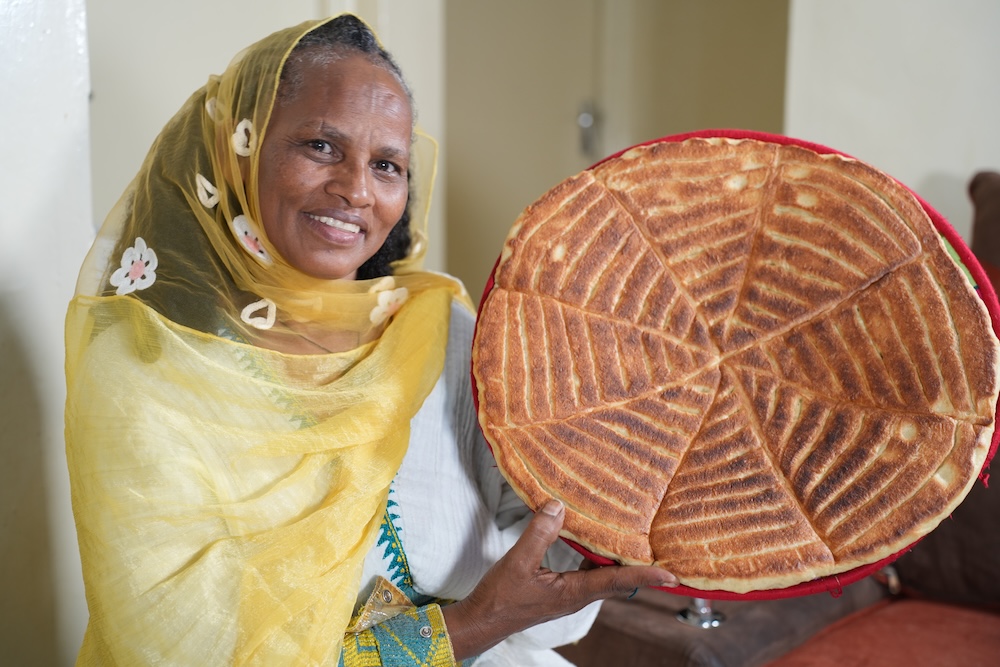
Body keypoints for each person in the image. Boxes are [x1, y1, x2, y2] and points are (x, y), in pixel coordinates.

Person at [64, 14, 676, 666]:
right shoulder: (148, 375)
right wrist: (468, 626)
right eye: (321, 146)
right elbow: (179, 649)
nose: (357, 189)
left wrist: (616, 458)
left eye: (387, 164)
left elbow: (537, 566)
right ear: (237, 151)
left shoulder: (439, 334)